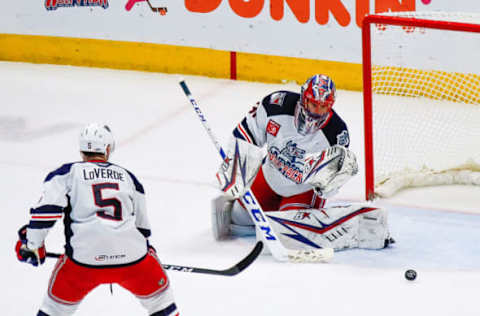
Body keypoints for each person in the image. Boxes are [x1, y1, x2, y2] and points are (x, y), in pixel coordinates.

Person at [213, 74, 394, 251]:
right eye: (313, 104)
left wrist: (326, 177)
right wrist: (237, 169)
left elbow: (329, 187)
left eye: (323, 107)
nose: (317, 111)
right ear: (303, 98)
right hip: (269, 177)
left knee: (286, 234)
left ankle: (350, 227)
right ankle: (263, 213)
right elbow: (247, 134)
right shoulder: (275, 105)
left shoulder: (336, 133)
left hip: (302, 191)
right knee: (237, 219)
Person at [15, 123, 179, 316]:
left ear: (81, 150)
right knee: (162, 303)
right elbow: (143, 230)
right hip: (133, 260)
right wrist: (146, 259)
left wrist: (33, 245)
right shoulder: (129, 178)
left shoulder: (68, 173)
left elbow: (45, 213)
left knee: (53, 310)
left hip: (83, 264)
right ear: (108, 149)